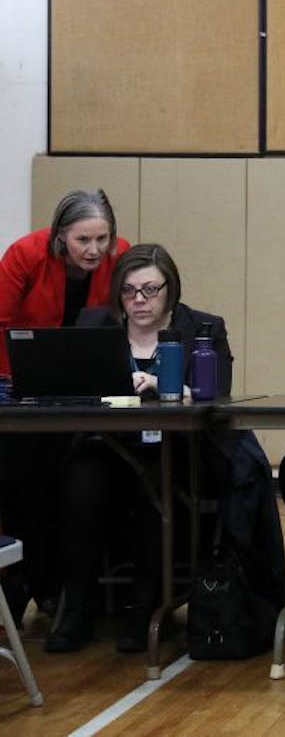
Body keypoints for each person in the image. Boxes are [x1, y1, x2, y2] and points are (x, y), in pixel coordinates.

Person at [45, 244, 236, 652]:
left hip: (175, 451)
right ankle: (78, 608)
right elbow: (70, 390)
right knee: (81, 477)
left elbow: (218, 398)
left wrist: (170, 389)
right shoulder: (95, 325)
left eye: (150, 290)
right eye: (129, 291)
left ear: (170, 288)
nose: (139, 300)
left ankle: (145, 609)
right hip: (109, 447)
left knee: (154, 485)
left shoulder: (202, 327)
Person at [0, 189, 131, 623]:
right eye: (83, 241)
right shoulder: (24, 255)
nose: (95, 251)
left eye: (102, 239)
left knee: (77, 472)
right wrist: (18, 380)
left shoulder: (122, 258)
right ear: (60, 237)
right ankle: (24, 585)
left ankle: (70, 587)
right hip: (19, 383)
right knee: (22, 475)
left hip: (89, 386)